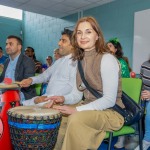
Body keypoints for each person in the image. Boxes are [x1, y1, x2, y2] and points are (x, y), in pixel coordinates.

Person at [42, 16, 125, 150]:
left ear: (97, 35)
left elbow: (109, 100)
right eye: (79, 32)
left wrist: (76, 110)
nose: (83, 36)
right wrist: (63, 98)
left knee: (75, 119)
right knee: (58, 118)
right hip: (89, 106)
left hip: (112, 112)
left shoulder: (107, 59)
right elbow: (77, 93)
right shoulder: (79, 60)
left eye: (88, 32)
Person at [20, 29, 80, 107]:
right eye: (60, 40)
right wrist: (31, 80)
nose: (59, 43)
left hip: (58, 101)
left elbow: (71, 87)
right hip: (47, 98)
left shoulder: (76, 63)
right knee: (19, 105)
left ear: (73, 45)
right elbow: (45, 75)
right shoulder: (59, 61)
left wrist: (50, 97)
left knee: (22, 108)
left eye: (63, 41)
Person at [0, 35, 36, 102]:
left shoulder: (28, 61)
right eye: (6, 44)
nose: (7, 47)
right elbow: (2, 79)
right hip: (5, 92)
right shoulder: (7, 61)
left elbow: (27, 85)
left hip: (21, 93)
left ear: (19, 47)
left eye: (11, 44)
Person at [135, 57, 150, 150]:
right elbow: (140, 82)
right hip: (144, 95)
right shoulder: (145, 65)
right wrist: (140, 93)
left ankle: (146, 140)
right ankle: (135, 135)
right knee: (134, 109)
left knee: (149, 112)